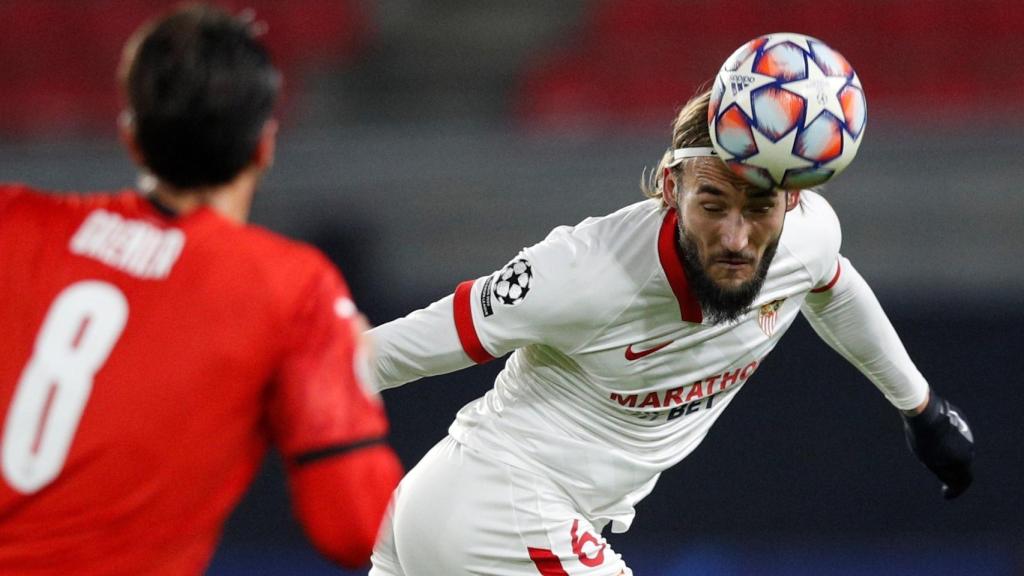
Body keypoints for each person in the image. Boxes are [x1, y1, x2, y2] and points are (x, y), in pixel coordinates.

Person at [366, 89, 975, 575]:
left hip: (468, 520)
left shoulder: (807, 237)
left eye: (758, 209)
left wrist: (919, 406)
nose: (736, 238)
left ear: (790, 203)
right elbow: (393, 352)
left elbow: (833, 287)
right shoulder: (580, 271)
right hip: (495, 507)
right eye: (712, 205)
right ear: (670, 187)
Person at [0, 4, 402, 575]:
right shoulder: (289, 290)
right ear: (264, 145)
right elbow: (358, 527)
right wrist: (353, 382)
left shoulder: (12, 221)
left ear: (131, 138)